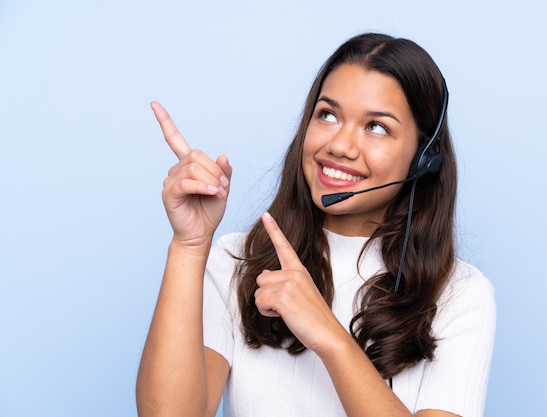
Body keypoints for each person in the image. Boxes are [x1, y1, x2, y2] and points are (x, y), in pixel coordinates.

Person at [136, 33, 496, 417]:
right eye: (328, 114)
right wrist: (189, 246)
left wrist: (329, 335)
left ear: (424, 157)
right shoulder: (237, 261)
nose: (340, 146)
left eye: (376, 126)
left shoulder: (460, 295)